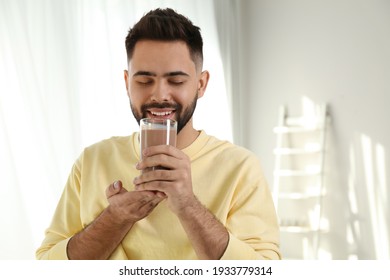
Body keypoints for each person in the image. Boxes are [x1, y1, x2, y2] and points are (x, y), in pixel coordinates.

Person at [36, 8, 281, 260]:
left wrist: (188, 205)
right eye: (144, 81)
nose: (160, 95)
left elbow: (264, 270)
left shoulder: (240, 167)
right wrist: (115, 218)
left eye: (176, 81)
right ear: (126, 83)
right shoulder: (91, 162)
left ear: (201, 84)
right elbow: (47, 267)